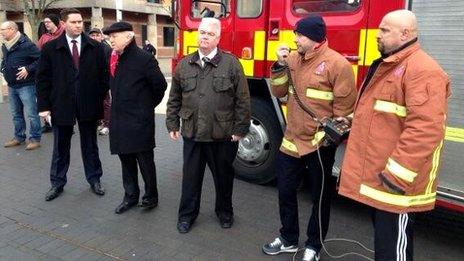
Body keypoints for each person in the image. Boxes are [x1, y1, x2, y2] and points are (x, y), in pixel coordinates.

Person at [338, 10, 450, 261]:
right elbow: (382, 115)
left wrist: (396, 178)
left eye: (384, 30)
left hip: (395, 185)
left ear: (405, 34)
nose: (377, 35)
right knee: (386, 247)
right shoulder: (390, 64)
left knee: (393, 252)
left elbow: (426, 129)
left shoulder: (422, 70)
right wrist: (350, 121)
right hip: (383, 179)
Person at [262, 14, 357, 261]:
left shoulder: (338, 65)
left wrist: (329, 139)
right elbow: (279, 90)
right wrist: (279, 65)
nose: (295, 39)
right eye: (295, 34)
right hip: (291, 140)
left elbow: (345, 112)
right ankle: (288, 239)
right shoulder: (293, 58)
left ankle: (314, 245)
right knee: (285, 191)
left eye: (300, 35)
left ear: (315, 39)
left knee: (320, 197)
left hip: (318, 144)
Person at [166, 17, 250, 233]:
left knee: (223, 178)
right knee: (190, 179)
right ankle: (186, 216)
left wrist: (240, 129)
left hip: (221, 135)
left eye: (210, 34)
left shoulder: (232, 64)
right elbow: (174, 97)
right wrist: (172, 123)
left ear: (218, 38)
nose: (204, 36)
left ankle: (224, 212)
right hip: (192, 133)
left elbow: (242, 100)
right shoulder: (185, 64)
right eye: (202, 32)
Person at [36, 8, 109, 201]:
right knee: (60, 146)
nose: (78, 25)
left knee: (90, 144)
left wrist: (97, 97)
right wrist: (44, 106)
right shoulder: (51, 48)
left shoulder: (95, 46)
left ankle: (94, 179)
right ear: (63, 24)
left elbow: (104, 77)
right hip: (62, 104)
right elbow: (42, 79)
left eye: (80, 22)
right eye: (74, 22)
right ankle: (57, 183)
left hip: (88, 104)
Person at [103, 22, 167, 214]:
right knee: (126, 160)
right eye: (110, 36)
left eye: (114, 36)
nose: (111, 40)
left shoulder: (144, 59)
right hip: (120, 120)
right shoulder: (115, 58)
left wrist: (146, 107)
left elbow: (160, 86)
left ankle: (150, 197)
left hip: (139, 121)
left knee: (145, 161)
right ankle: (130, 196)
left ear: (128, 37)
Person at [1, 21, 41, 150]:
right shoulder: (5, 45)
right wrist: (3, 68)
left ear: (12, 29)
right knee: (16, 114)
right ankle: (19, 137)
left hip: (27, 85)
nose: (1, 32)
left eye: (3, 30)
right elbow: (5, 60)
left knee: (31, 113)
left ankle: (35, 138)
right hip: (12, 85)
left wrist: (28, 69)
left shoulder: (27, 45)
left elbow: (41, 60)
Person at [37, 13, 65, 133]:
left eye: (49, 22)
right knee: (47, 96)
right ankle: (48, 123)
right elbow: (39, 53)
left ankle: (66, 122)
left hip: (62, 71)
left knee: (62, 97)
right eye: (45, 22)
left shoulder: (63, 34)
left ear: (55, 22)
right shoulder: (44, 37)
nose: (46, 24)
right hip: (49, 71)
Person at [89, 27, 112, 136]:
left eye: (97, 35)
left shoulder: (106, 49)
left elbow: (109, 67)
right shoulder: (87, 48)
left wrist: (106, 82)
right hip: (90, 82)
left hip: (102, 81)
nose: (95, 37)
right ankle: (99, 121)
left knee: (105, 103)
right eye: (92, 35)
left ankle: (107, 124)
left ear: (101, 36)